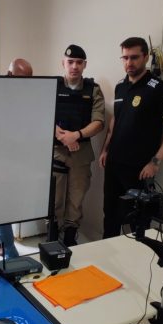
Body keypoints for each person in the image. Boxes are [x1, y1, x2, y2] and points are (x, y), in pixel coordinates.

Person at [100, 37, 163, 238]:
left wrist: (155, 162)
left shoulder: (159, 89)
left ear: (145, 57)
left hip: (139, 169)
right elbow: (115, 120)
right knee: (110, 215)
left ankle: (134, 256)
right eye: (125, 58)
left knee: (137, 221)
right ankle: (106, 253)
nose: (129, 62)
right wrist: (105, 149)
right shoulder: (120, 86)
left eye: (134, 57)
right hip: (114, 164)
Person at [51, 45, 105, 246]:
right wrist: (61, 135)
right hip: (56, 151)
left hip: (81, 152)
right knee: (54, 197)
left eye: (79, 62)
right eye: (70, 62)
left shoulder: (93, 89)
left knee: (76, 198)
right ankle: (52, 233)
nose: (74, 66)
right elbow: (41, 112)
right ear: (63, 63)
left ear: (85, 65)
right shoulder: (53, 86)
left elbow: (98, 122)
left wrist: (76, 135)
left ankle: (70, 234)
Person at [0, 58, 34, 258]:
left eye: (29, 79)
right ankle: (9, 250)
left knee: (8, 200)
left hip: (18, 155)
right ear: (10, 74)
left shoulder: (26, 95)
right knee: (2, 202)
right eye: (23, 79)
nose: (26, 84)